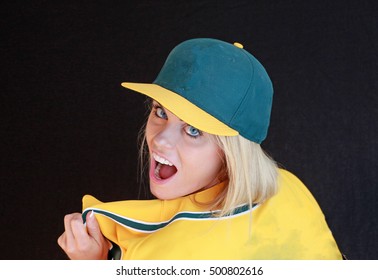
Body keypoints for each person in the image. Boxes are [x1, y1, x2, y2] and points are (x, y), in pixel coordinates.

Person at [57, 38, 343, 259]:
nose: (160, 140)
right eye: (160, 112)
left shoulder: (172, 257)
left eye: (194, 130)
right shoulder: (290, 187)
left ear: (232, 155)